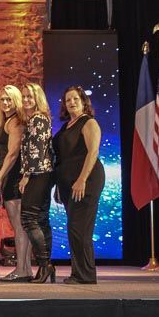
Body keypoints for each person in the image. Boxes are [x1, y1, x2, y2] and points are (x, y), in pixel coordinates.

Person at [53, 85, 104, 285]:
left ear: (83, 101)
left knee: (80, 229)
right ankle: (78, 273)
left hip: (86, 181)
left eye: (75, 99)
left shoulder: (88, 122)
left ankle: (86, 275)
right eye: (68, 100)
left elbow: (93, 152)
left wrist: (82, 179)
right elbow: (62, 159)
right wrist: (59, 187)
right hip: (69, 185)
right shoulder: (66, 126)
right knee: (74, 228)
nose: (72, 102)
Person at [0, 85, 31, 281]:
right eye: (2, 99)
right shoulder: (8, 121)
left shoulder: (15, 121)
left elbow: (13, 153)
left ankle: (22, 269)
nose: (5, 103)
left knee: (19, 226)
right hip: (11, 176)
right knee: (20, 226)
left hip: (13, 177)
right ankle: (26, 269)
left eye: (9, 99)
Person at [19, 82, 55, 284]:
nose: (25, 100)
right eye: (24, 96)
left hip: (38, 173)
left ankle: (45, 264)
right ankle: (46, 265)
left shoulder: (38, 119)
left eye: (29, 96)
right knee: (41, 219)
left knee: (29, 218)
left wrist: (26, 175)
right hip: (43, 174)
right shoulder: (37, 118)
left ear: (38, 98)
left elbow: (37, 151)